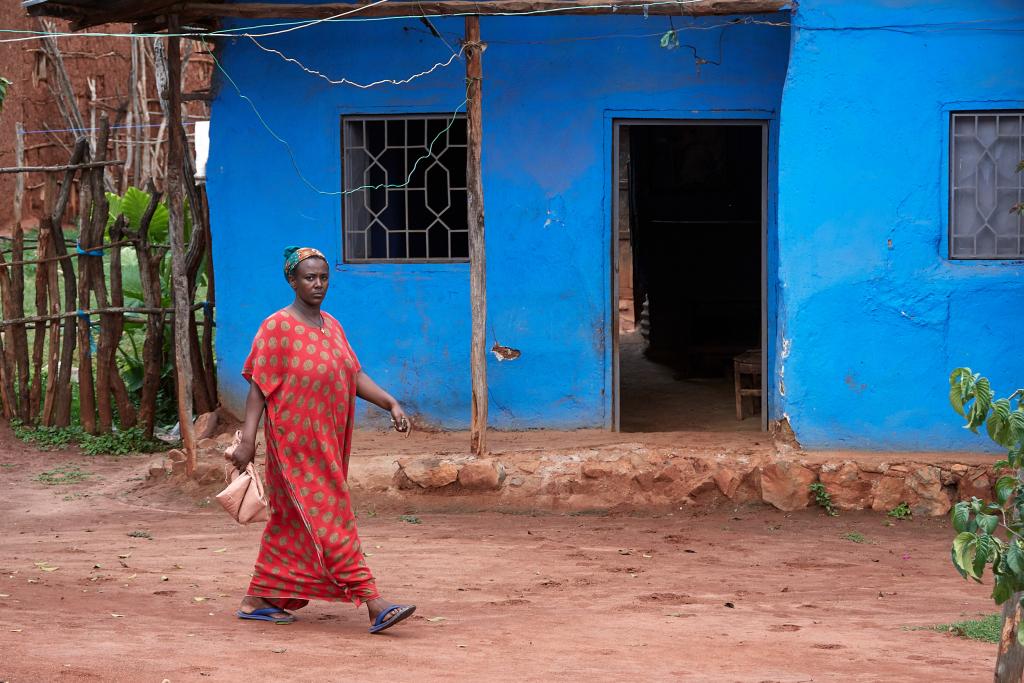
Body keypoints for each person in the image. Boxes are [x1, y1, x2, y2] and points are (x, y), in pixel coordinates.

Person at [226, 245, 415, 634]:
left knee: (291, 524)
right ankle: (372, 600)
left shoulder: (332, 325)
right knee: (332, 517)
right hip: (294, 447)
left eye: (323, 277)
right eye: (309, 277)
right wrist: (248, 441)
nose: (317, 284)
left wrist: (390, 403)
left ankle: (260, 597)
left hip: (327, 444)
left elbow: (353, 374)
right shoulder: (277, 327)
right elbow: (258, 388)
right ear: (292, 280)